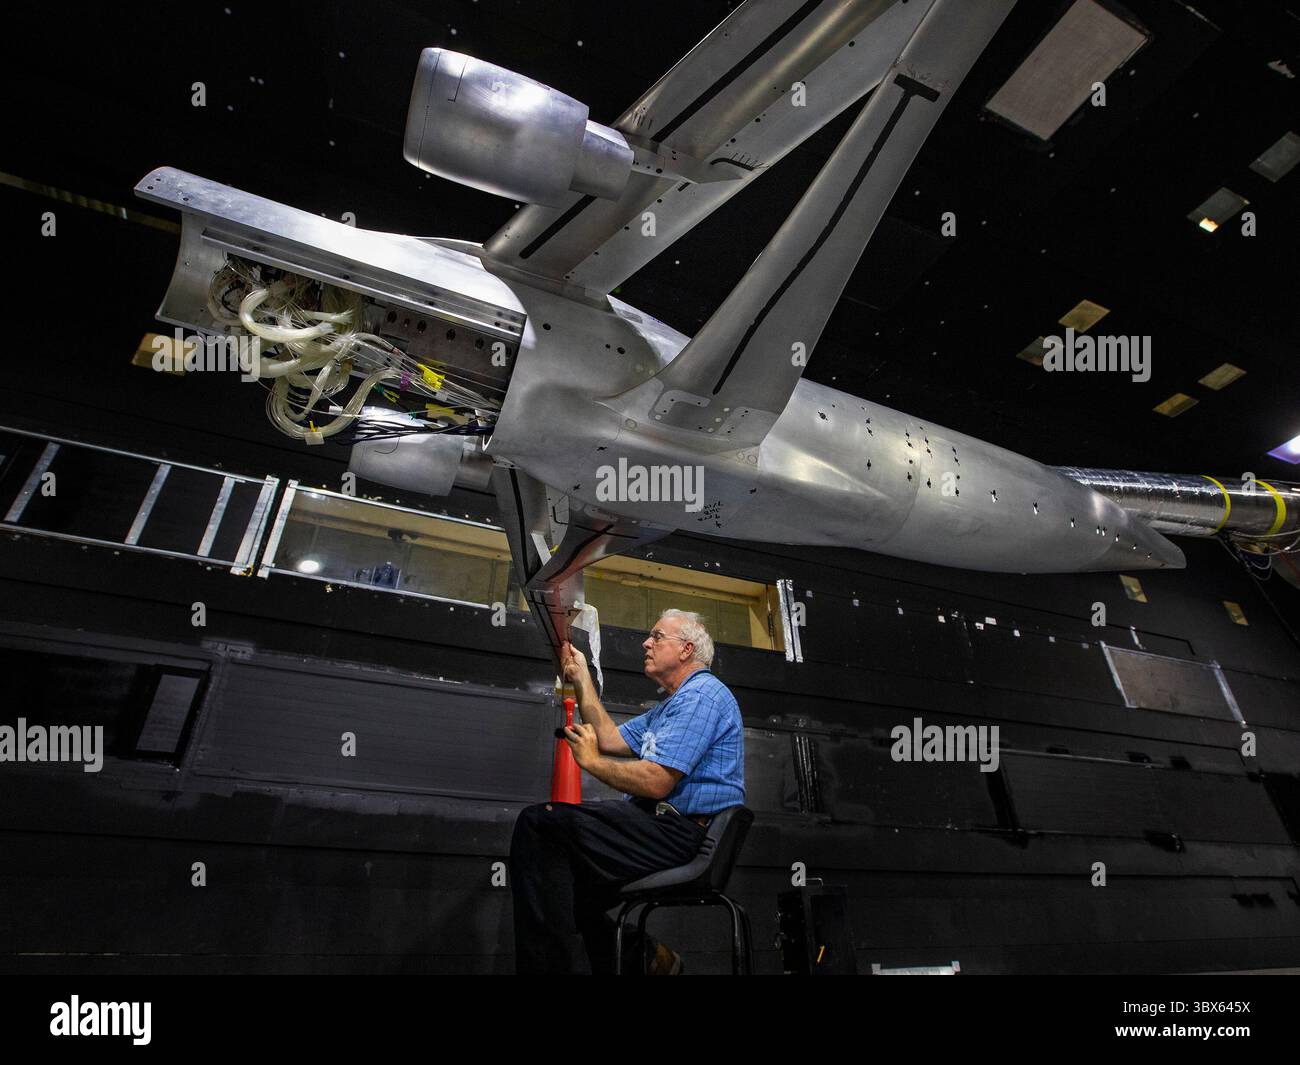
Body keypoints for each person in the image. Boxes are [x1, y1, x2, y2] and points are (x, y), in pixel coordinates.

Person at [509, 609, 745, 974]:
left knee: (540, 825)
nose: (646, 643)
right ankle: (647, 957)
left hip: (679, 834)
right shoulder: (673, 704)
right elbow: (611, 738)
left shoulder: (704, 696)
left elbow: (656, 781)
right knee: (564, 887)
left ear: (685, 650)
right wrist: (582, 678)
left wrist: (590, 763)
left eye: (656, 636)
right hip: (658, 826)